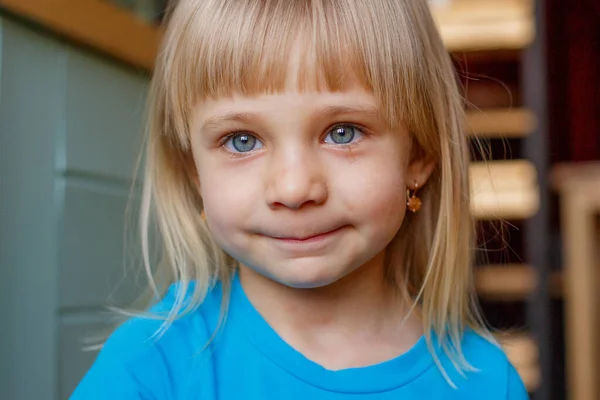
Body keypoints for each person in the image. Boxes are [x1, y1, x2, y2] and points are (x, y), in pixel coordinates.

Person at [71, 0, 529, 398]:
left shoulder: (487, 382)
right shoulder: (147, 371)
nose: (293, 190)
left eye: (342, 132)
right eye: (242, 140)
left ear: (420, 153)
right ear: (194, 171)